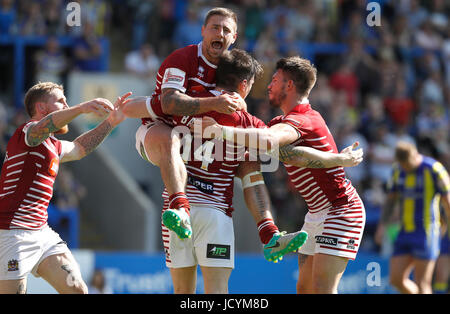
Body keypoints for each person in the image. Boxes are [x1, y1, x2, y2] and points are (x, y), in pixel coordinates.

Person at [148, 49, 363, 294]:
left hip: (339, 208)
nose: (267, 85)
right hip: (224, 212)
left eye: (274, 80)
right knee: (300, 290)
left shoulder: (189, 101)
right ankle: (269, 234)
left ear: (289, 85)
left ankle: (270, 235)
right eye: (259, 81)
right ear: (243, 84)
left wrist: (119, 116)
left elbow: (273, 144)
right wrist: (335, 158)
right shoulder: (253, 123)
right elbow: (275, 152)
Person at [122, 7, 246, 241]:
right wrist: (215, 103)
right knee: (171, 138)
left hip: (199, 139)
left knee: (251, 161)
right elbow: (169, 103)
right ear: (203, 31)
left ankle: (269, 233)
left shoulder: (233, 69)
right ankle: (180, 209)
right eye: (214, 27)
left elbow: (239, 107)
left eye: (226, 30)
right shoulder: (183, 58)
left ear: (233, 37)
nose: (220, 33)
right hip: (160, 129)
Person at [0, 82, 131, 294]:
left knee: (78, 289)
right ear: (42, 108)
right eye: (61, 101)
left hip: (42, 233)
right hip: (13, 233)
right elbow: (43, 127)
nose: (67, 104)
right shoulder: (27, 132)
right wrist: (82, 108)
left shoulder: (53, 144)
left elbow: (80, 148)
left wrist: (111, 122)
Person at [375, 141, 450, 294]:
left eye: (407, 165)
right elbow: (391, 200)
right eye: (402, 165)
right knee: (395, 279)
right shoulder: (397, 171)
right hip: (405, 231)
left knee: (422, 283)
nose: (405, 168)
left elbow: (447, 200)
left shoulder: (434, 169)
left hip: (426, 232)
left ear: (415, 155)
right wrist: (382, 226)